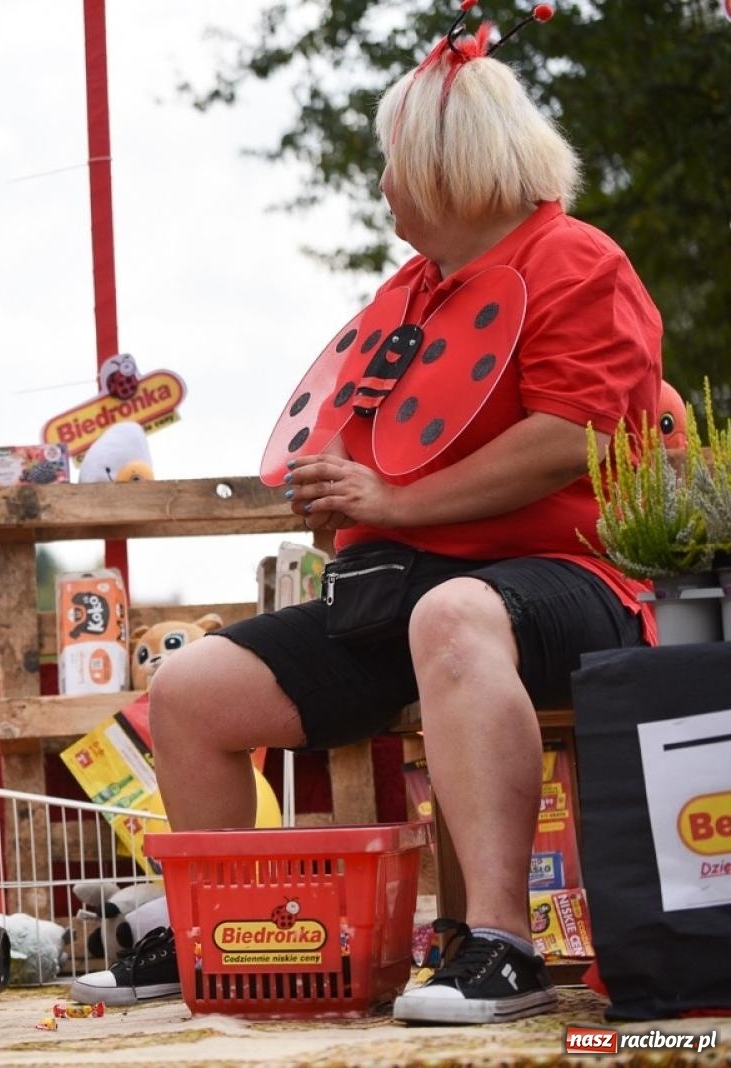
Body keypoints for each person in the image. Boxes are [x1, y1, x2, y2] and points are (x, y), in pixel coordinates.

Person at [70, 9, 662, 1024]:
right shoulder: (405, 294)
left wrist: (393, 500)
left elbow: (576, 436)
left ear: (441, 163)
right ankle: (216, 938)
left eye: (389, 159)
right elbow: (354, 446)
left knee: (455, 618)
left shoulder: (577, 263)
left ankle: (499, 945)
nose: (381, 181)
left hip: (575, 585)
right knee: (191, 689)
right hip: (417, 593)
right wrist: (332, 494)